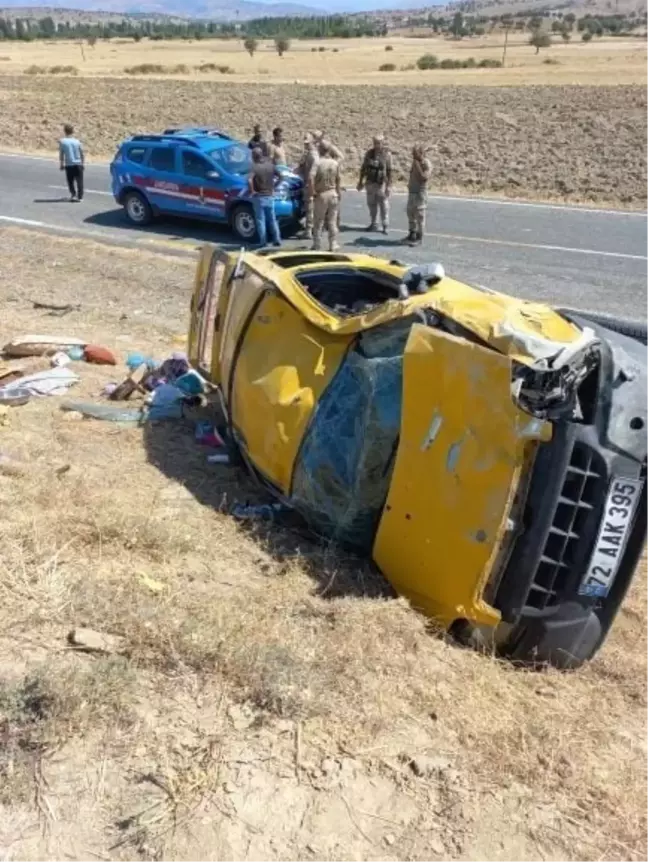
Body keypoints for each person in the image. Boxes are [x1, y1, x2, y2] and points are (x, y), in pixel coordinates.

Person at [357, 135, 392, 234]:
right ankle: (374, 223)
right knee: (371, 204)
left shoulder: (386, 155)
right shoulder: (369, 153)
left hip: (381, 184)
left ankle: (385, 225)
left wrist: (389, 186)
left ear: (382, 143)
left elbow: (389, 171)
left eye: (379, 143)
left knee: (384, 205)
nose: (377, 145)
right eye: (375, 143)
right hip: (370, 182)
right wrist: (360, 182)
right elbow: (364, 168)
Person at [310, 140, 341, 252]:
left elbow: (311, 178)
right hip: (333, 193)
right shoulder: (335, 163)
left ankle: (317, 244)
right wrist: (338, 193)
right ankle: (333, 243)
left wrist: (312, 191)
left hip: (322, 194)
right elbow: (338, 180)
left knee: (318, 221)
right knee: (332, 220)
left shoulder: (318, 163)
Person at [248, 147, 281, 248]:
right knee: (272, 219)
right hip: (270, 196)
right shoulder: (270, 165)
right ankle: (277, 239)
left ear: (254, 156)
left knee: (260, 220)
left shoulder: (255, 167)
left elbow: (249, 180)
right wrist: (274, 187)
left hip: (259, 197)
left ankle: (263, 242)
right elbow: (281, 176)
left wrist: (252, 191)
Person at [405, 145, 432, 245]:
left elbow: (424, 178)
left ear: (421, 154)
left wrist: (417, 165)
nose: (413, 157)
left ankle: (419, 238)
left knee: (419, 216)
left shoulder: (426, 164)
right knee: (410, 213)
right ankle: (412, 234)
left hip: (420, 193)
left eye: (415, 154)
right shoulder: (415, 162)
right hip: (412, 192)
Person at [296, 135, 319, 240]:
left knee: (310, 208)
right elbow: (301, 167)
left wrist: (311, 188)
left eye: (308, 144)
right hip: (307, 183)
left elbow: (312, 174)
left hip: (310, 184)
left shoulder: (314, 155)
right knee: (309, 208)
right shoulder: (307, 154)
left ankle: (309, 231)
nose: (306, 145)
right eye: (305, 144)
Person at [59, 123, 84, 202]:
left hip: (69, 164)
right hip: (78, 163)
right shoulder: (77, 141)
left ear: (65, 131)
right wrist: (82, 163)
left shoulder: (62, 141)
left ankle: (73, 194)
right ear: (73, 131)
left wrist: (61, 164)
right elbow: (82, 153)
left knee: (70, 181)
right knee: (80, 181)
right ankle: (80, 197)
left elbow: (61, 154)